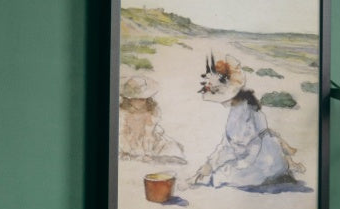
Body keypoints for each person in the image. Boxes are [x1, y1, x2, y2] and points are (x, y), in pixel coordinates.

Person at [189, 54, 304, 189]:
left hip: (263, 160)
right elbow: (227, 144)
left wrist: (236, 165)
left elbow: (254, 147)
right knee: (216, 174)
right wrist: (209, 164)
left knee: (220, 177)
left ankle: (280, 170)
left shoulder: (249, 111)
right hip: (248, 158)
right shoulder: (236, 110)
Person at [119, 72, 186, 163]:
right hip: (128, 141)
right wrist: (125, 151)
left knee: (171, 149)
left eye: (142, 99)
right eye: (135, 99)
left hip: (149, 141)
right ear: (129, 99)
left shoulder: (151, 111)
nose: (140, 102)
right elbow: (123, 132)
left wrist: (147, 153)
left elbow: (148, 134)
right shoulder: (123, 112)